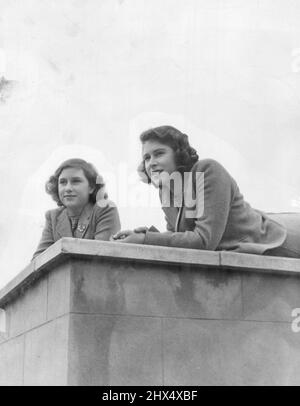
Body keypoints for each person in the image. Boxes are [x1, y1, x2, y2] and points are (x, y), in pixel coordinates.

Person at [112, 125, 300, 258]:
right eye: (146, 157)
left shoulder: (207, 170)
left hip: (277, 242)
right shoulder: (166, 189)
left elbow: (203, 241)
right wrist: (144, 235)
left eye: (159, 153)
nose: (151, 162)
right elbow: (176, 236)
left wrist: (145, 239)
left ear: (178, 154)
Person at [32, 158, 121, 259]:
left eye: (75, 181)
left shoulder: (104, 209)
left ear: (91, 187)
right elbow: (38, 260)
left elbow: (102, 255)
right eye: (63, 182)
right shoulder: (52, 217)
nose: (68, 188)